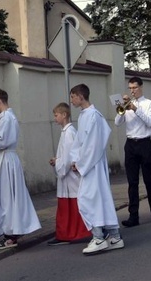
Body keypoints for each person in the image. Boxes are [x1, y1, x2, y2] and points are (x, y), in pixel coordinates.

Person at [0, 89, 41, 250]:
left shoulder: (7, 118)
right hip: (5, 159)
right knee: (3, 197)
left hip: (7, 162)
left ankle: (10, 235)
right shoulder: (8, 118)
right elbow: (3, 144)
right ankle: (12, 231)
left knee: (7, 199)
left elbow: (2, 142)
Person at [69, 84, 124, 255]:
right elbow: (80, 142)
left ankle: (99, 238)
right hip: (89, 164)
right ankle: (114, 237)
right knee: (99, 200)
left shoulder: (94, 116)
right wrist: (75, 159)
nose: (71, 100)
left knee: (89, 199)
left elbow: (93, 145)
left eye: (73, 97)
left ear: (80, 96)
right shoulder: (84, 115)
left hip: (93, 165)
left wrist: (80, 163)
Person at [115, 76, 151, 227]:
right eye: (130, 88)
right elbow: (117, 123)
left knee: (148, 179)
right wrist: (123, 108)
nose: (132, 91)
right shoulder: (127, 104)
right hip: (130, 144)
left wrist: (135, 109)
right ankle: (133, 216)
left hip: (144, 143)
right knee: (132, 182)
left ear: (141, 87)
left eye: (135, 87)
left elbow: (150, 122)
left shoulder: (149, 104)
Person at [48, 102, 91, 246]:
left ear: (64, 115)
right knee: (67, 206)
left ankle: (72, 233)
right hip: (66, 177)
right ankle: (65, 233)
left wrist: (59, 163)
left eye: (56, 115)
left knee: (72, 206)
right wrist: (58, 160)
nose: (55, 118)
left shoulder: (69, 133)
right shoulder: (66, 132)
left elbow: (68, 157)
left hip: (69, 177)